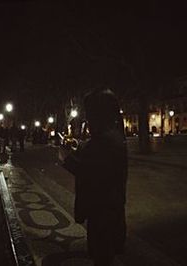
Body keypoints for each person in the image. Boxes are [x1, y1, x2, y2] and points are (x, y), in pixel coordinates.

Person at [61, 90, 128, 265]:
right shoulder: (112, 136)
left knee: (102, 254)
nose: (87, 119)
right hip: (108, 210)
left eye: (90, 114)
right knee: (102, 253)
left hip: (102, 211)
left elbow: (92, 173)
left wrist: (66, 158)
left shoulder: (106, 140)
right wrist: (79, 148)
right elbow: (95, 159)